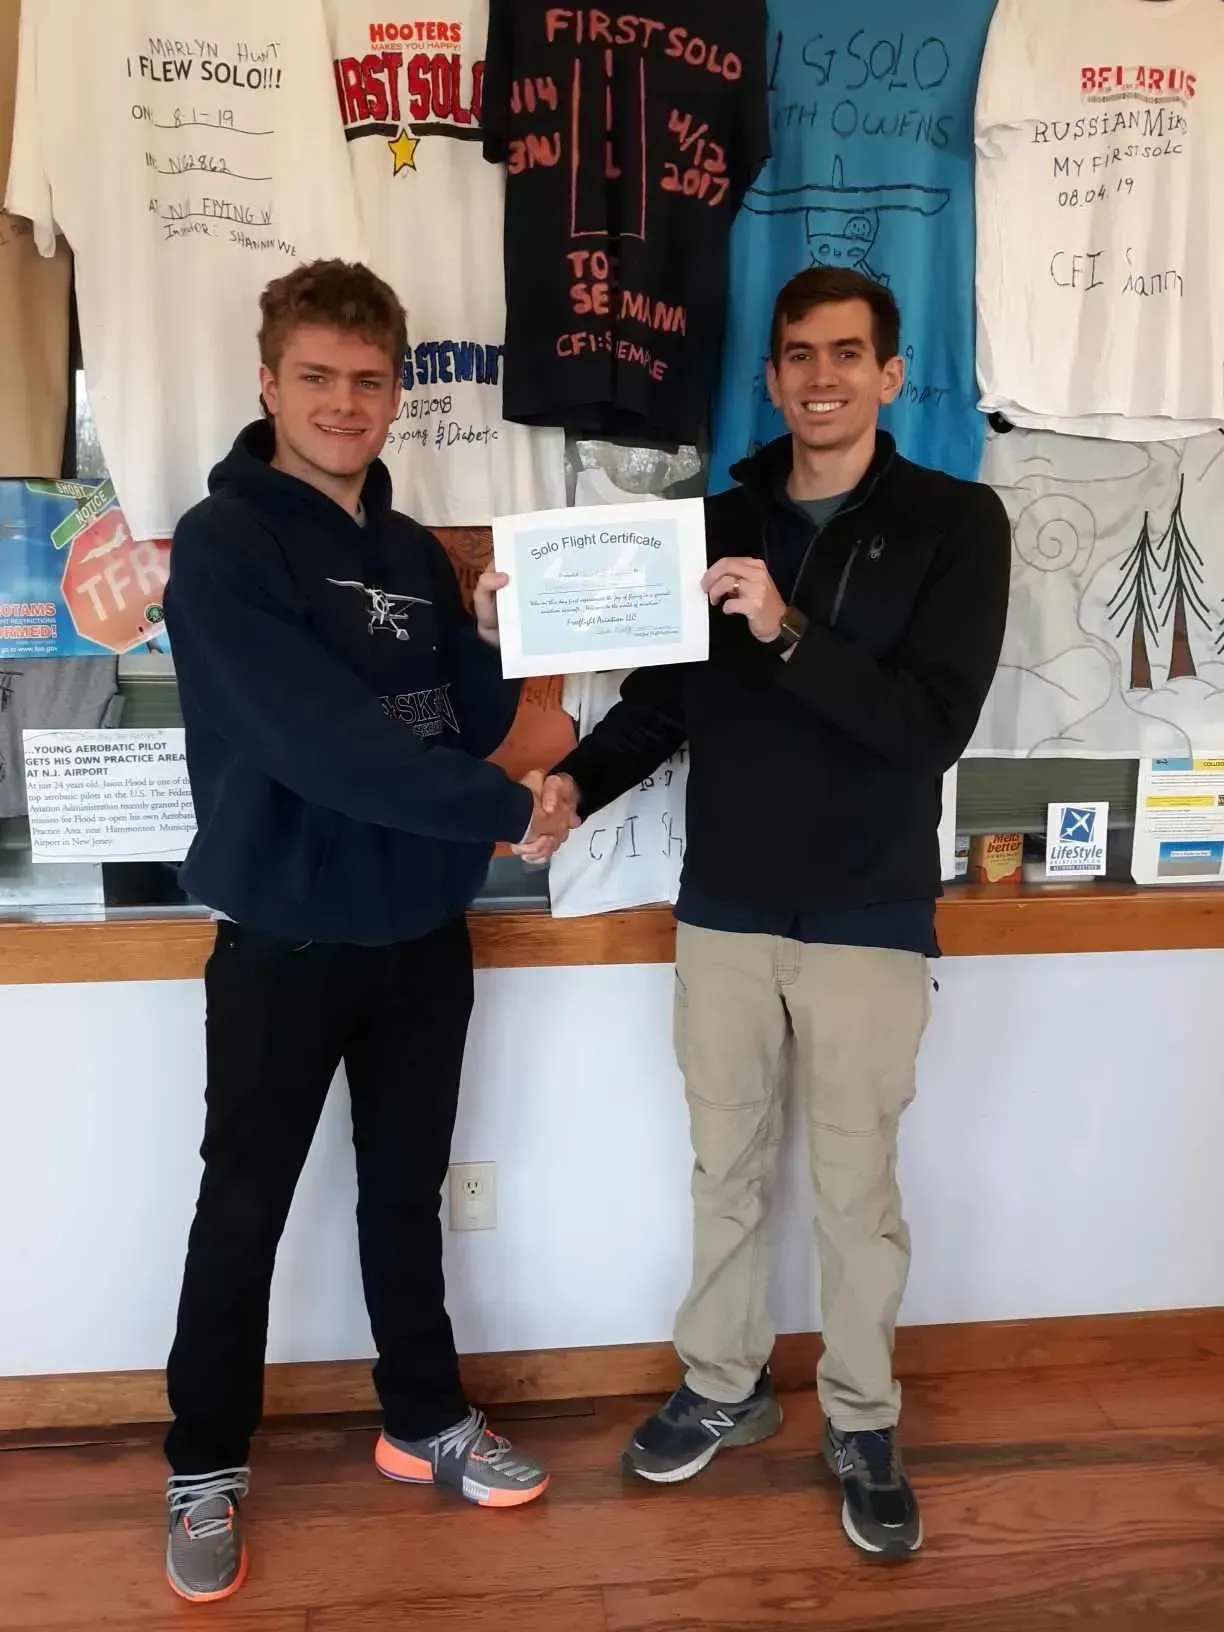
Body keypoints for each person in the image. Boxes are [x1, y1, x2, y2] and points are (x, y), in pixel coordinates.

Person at [527, 267, 1011, 1559]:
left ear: (890, 376)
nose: (821, 376)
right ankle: (723, 1387)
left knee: (858, 1190)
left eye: (848, 354)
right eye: (799, 354)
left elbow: (930, 728)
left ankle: (861, 1420)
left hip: (868, 908)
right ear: (773, 375)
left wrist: (788, 630)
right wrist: (578, 777)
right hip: (727, 906)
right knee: (724, 1172)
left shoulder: (957, 523)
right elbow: (664, 703)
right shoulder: (716, 517)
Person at [160, 260, 575, 1604]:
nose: (345, 403)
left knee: (406, 1197)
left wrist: (529, 633)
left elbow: (476, 713)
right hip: (283, 936)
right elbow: (316, 745)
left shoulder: (408, 554)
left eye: (369, 379)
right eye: (319, 377)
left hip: (417, 930)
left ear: (398, 392)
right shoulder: (226, 547)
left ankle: (423, 1421)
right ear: (270, 383)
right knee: (244, 1209)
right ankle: (204, 1464)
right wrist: (500, 809)